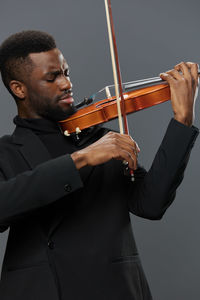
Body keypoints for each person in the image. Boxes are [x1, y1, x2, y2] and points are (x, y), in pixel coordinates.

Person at [0, 30, 198, 300]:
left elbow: (151, 204)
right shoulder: (6, 151)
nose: (67, 84)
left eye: (66, 73)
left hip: (114, 289)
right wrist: (81, 159)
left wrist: (182, 120)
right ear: (18, 88)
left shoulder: (102, 139)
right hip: (43, 289)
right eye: (52, 77)